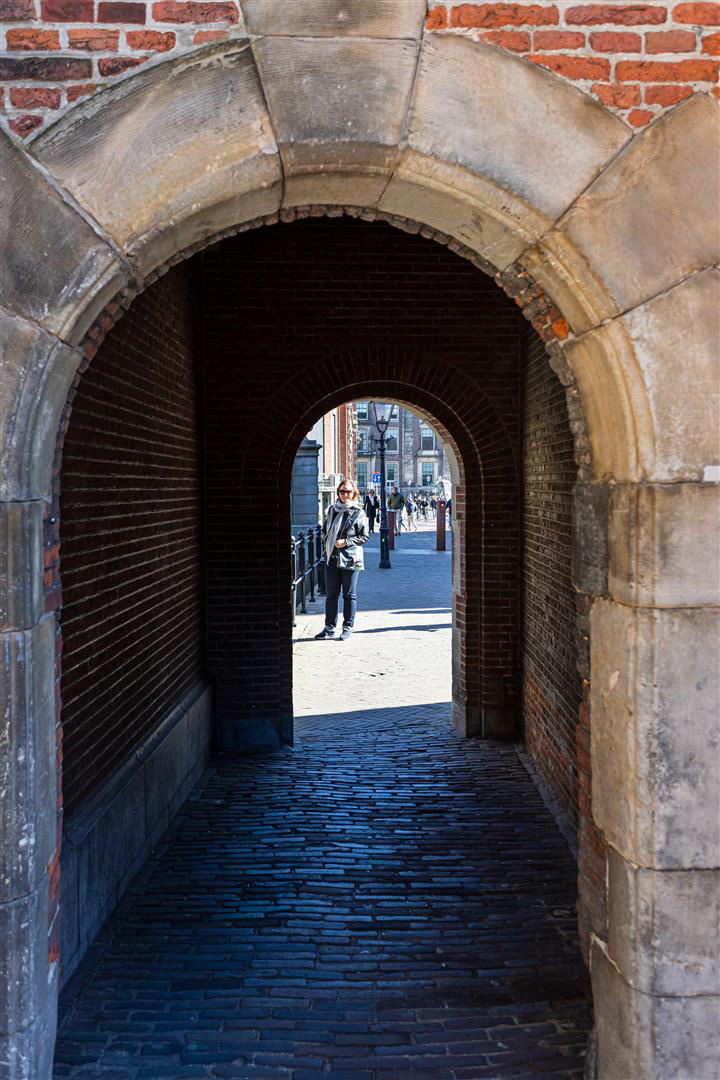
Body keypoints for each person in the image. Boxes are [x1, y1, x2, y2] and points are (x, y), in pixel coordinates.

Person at [315, 479, 369, 641]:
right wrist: (326, 542)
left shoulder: (358, 512)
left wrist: (346, 542)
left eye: (348, 492)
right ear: (338, 492)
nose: (345, 494)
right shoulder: (332, 509)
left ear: (354, 493)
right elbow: (325, 528)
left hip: (350, 559)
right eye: (342, 491)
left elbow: (364, 537)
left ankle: (347, 627)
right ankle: (329, 628)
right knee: (331, 595)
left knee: (349, 595)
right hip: (331, 556)